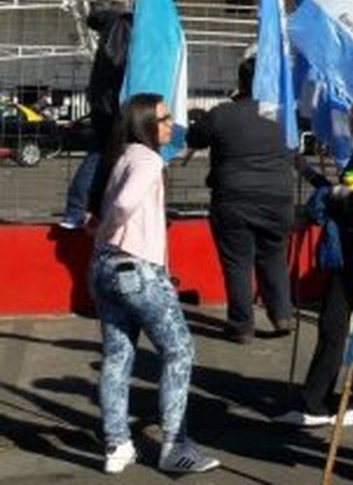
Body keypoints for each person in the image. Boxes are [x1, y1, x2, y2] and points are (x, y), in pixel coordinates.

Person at [90, 93, 220, 474]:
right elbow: (124, 205)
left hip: (104, 268)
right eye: (163, 118)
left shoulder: (124, 155)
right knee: (179, 350)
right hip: (136, 269)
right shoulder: (147, 159)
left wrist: (102, 240)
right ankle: (174, 445)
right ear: (145, 123)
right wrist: (110, 232)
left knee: (117, 356)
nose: (170, 124)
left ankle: (117, 444)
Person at [274, 93, 353, 427]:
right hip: (346, 247)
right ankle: (314, 403)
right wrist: (310, 175)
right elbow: (344, 193)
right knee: (332, 324)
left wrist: (332, 197)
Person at [185, 57, 297, 343]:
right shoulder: (284, 115)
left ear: (241, 81)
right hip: (278, 196)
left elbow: (195, 139)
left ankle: (241, 325)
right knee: (273, 256)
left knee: (237, 263)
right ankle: (282, 314)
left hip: (233, 198)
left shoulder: (223, 113)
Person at [59, 0, 132, 230]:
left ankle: (78, 210)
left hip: (102, 102)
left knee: (100, 153)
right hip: (115, 104)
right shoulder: (122, 23)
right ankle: (82, 208)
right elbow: (118, 62)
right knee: (107, 154)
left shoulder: (108, 25)